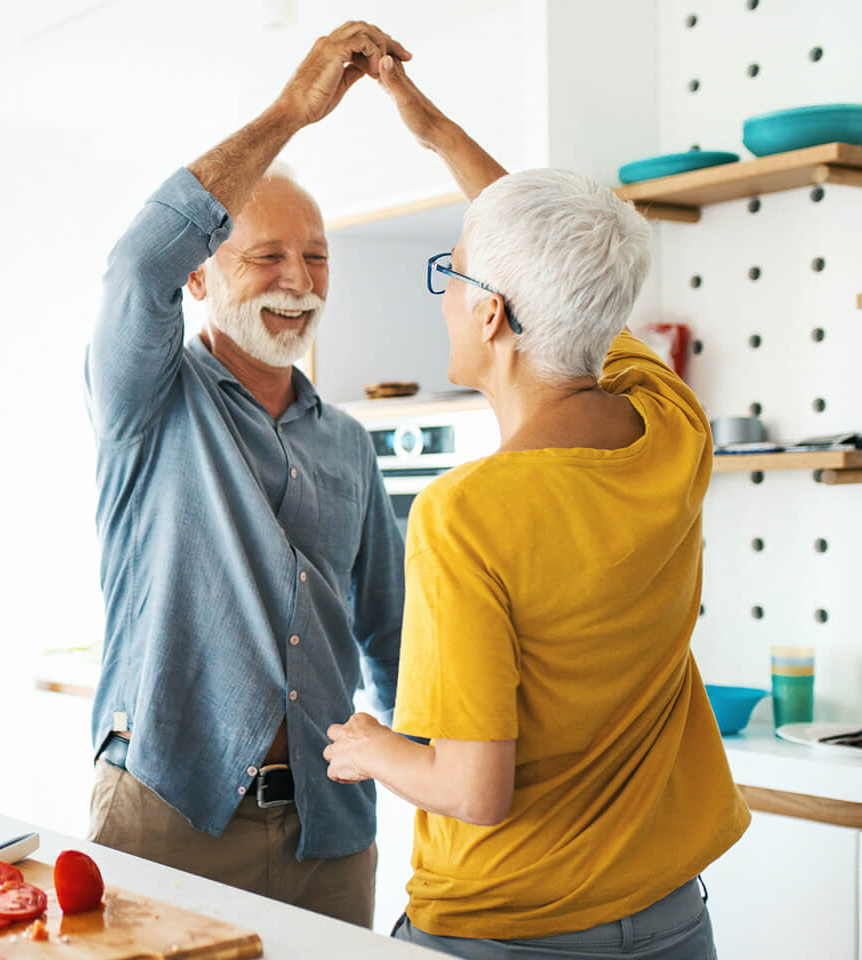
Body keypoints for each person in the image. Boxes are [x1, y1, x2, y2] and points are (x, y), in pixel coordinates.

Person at [324, 55, 750, 957]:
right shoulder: (670, 422)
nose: (446, 293)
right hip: (673, 921)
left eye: (454, 273)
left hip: (509, 932)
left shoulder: (465, 515)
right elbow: (564, 267)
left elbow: (474, 788)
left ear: (489, 316)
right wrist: (434, 131)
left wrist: (369, 745)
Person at [83, 22, 410, 927]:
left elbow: (392, 629)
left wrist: (441, 768)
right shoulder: (147, 400)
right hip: (171, 810)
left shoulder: (346, 441)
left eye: (315, 257)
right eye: (265, 255)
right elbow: (133, 265)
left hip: (331, 827)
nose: (296, 280)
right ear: (201, 279)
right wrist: (292, 114)